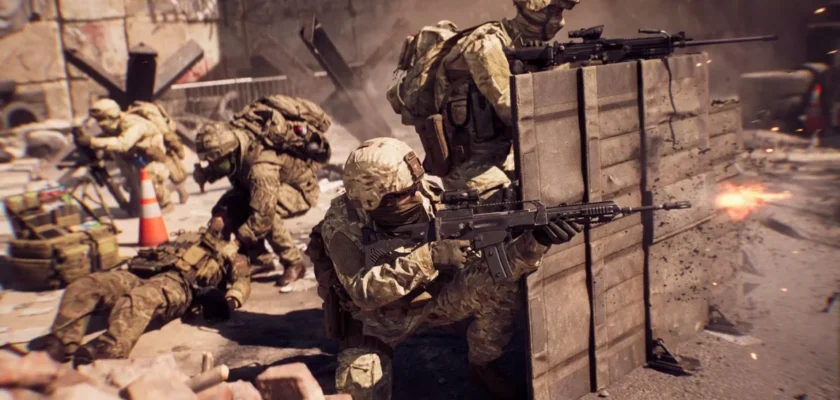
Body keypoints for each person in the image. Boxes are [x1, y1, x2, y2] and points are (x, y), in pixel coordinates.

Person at [309, 137, 581, 400]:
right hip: (375, 323)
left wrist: (537, 240)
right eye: (406, 194)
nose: (418, 194)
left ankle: (483, 362)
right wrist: (431, 257)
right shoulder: (341, 223)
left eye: (415, 185)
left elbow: (483, 254)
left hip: (435, 297)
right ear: (372, 199)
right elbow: (362, 292)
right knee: (360, 383)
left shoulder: (424, 191)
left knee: (500, 283)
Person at [389, 0, 580, 205]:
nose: (560, 21)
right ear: (532, 9)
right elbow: (511, 108)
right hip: (470, 168)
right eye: (554, 11)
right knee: (523, 211)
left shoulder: (518, 44)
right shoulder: (485, 44)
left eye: (561, 12)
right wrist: (571, 74)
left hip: (502, 158)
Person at [33, 217, 250, 366]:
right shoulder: (187, 235)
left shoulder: (233, 254)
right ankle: (61, 342)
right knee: (86, 286)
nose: (219, 217)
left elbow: (242, 282)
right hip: (140, 273)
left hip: (180, 284)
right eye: (218, 212)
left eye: (226, 214)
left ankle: (107, 350)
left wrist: (230, 301)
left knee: (139, 300)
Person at [193, 95, 332, 289]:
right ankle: (260, 260)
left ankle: (294, 263)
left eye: (219, 162)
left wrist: (236, 243)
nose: (218, 167)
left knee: (265, 213)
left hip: (299, 190)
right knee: (228, 205)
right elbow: (221, 167)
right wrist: (205, 173)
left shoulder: (261, 168)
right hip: (268, 188)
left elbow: (263, 215)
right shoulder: (237, 142)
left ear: (231, 154)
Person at [76, 98, 181, 213]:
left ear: (111, 115)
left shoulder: (133, 124)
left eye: (101, 119)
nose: (99, 123)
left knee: (148, 182)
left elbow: (123, 144)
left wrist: (91, 141)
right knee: (132, 192)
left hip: (153, 159)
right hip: (135, 160)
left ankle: (166, 203)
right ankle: (174, 188)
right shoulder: (114, 127)